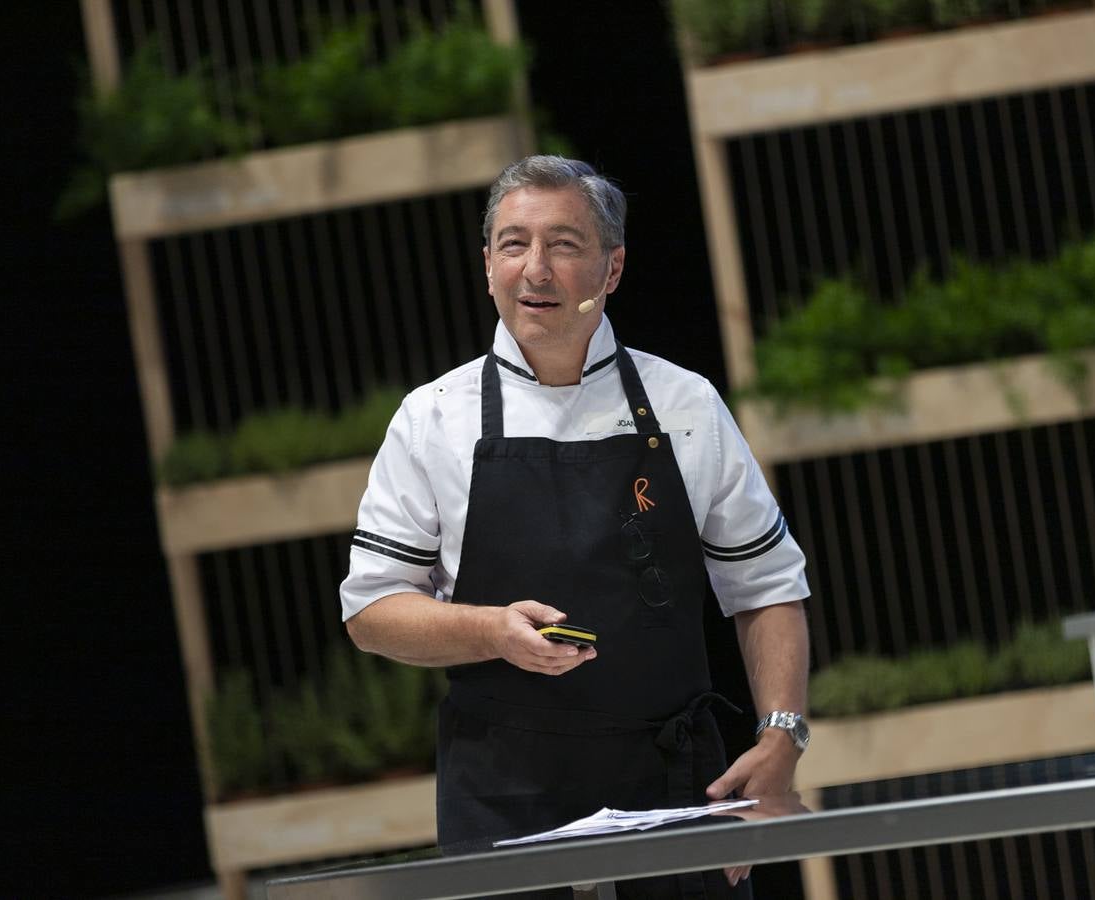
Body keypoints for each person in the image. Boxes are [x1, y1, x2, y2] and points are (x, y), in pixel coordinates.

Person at [340, 155, 812, 898]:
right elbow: (370, 613)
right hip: (502, 787)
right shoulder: (433, 417)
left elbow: (768, 585)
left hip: (674, 779)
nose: (536, 270)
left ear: (613, 267)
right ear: (487, 266)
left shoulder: (686, 404)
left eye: (564, 244)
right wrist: (492, 632)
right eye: (513, 244)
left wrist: (783, 734)